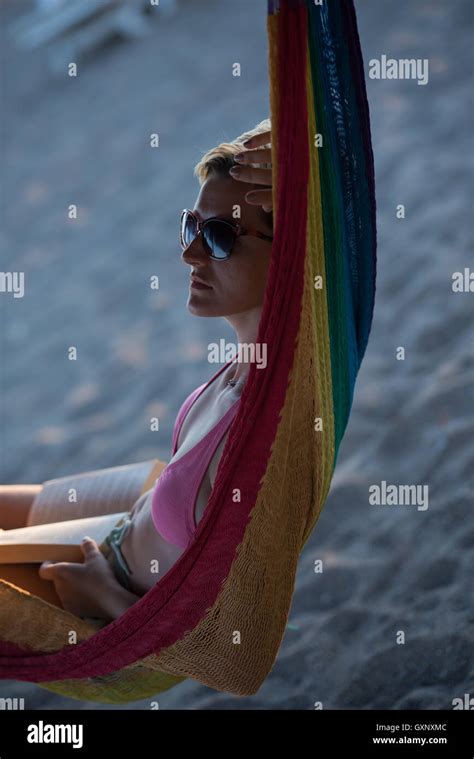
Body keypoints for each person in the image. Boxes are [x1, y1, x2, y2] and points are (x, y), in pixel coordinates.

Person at [0, 119, 274, 623]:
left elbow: (229, 636)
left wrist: (104, 596)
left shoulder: (261, 426)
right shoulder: (245, 365)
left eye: (219, 237)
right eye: (192, 226)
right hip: (128, 511)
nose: (189, 254)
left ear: (291, 253)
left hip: (113, 579)